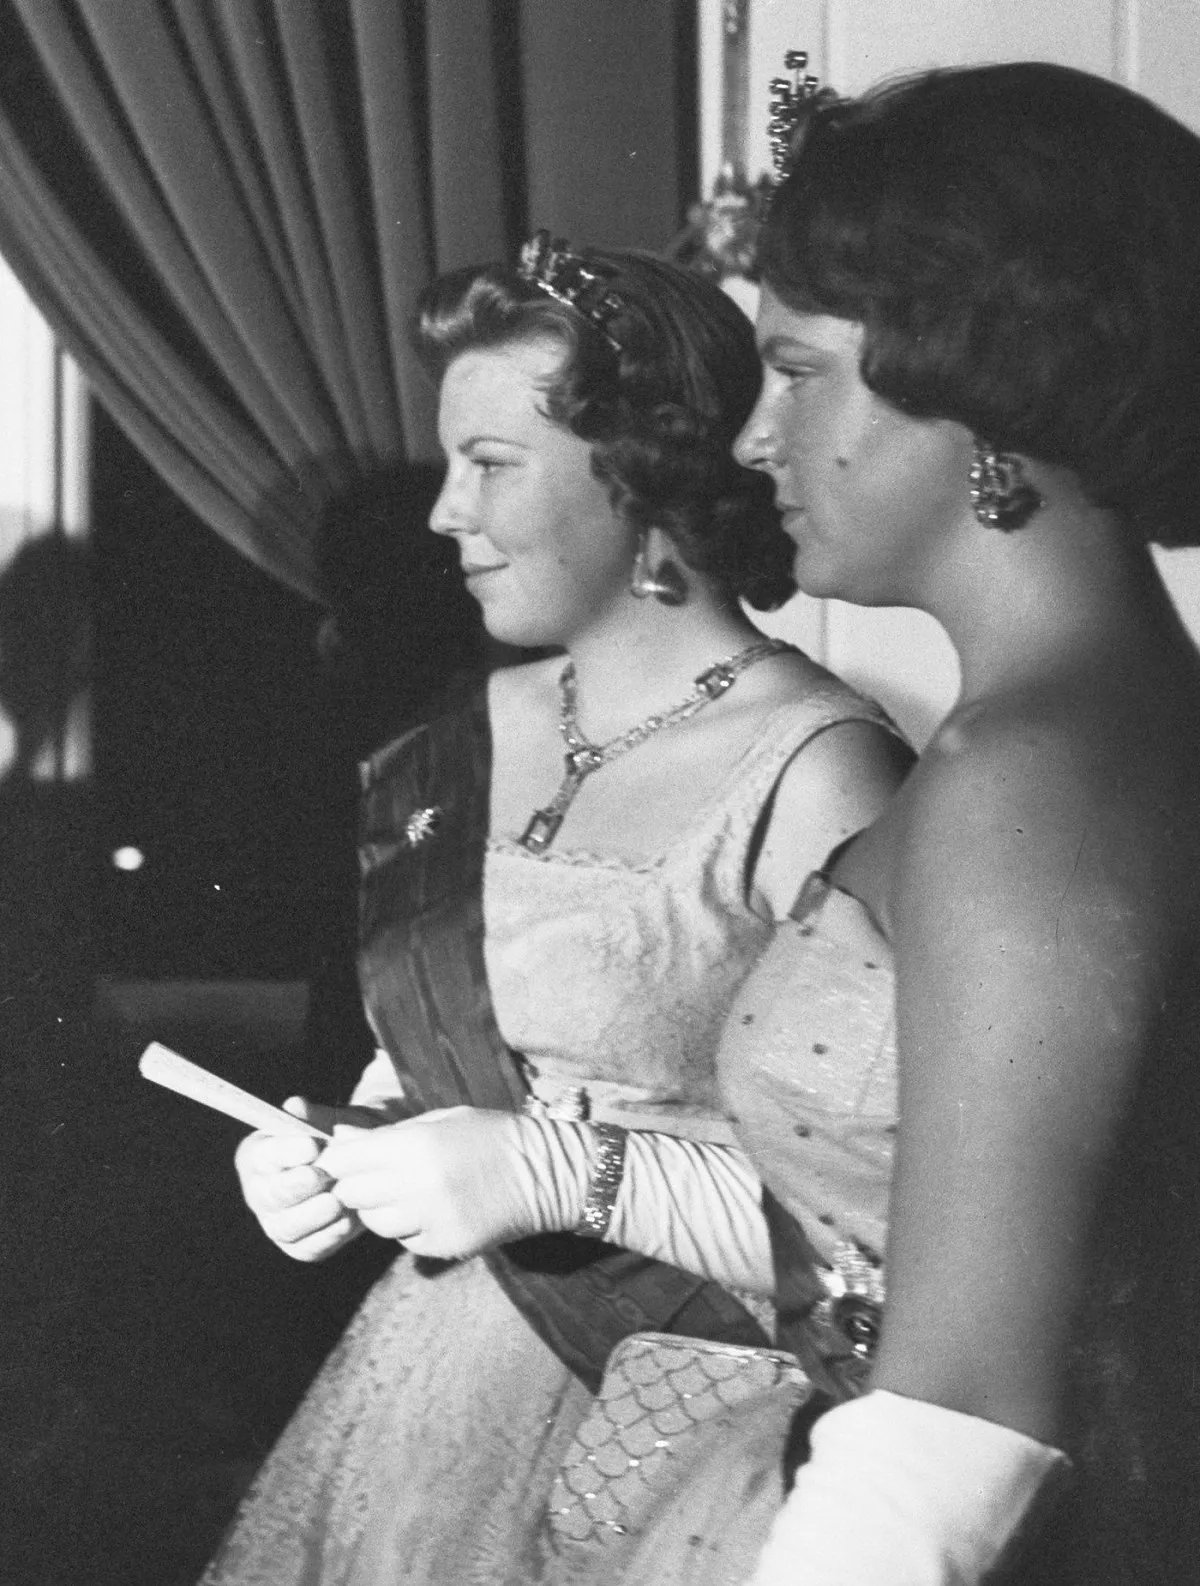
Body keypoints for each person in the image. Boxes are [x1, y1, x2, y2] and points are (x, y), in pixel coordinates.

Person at [198, 236, 910, 1584]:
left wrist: (550, 1169)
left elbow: (894, 1225)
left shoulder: (821, 769)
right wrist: (346, 1146)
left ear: (635, 473)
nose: (440, 514)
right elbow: (454, 1052)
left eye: (492, 465)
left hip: (689, 1446)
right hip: (421, 1399)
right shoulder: (457, 736)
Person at [609, 60, 1200, 1586]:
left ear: (976, 384)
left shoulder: (1034, 783)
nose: (752, 440)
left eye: (798, 371)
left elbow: (964, 1412)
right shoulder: (1080, 728)